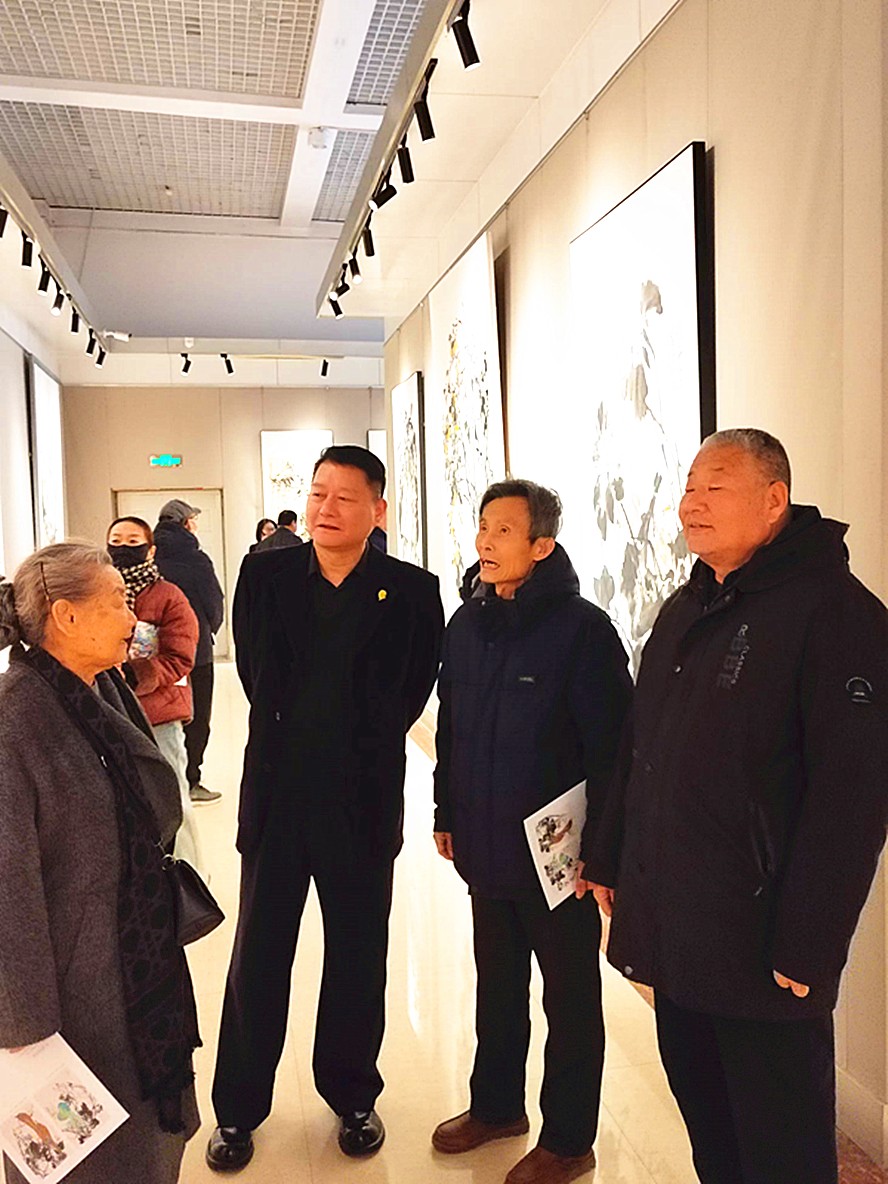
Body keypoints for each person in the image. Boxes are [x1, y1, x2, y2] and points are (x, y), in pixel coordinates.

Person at [586, 429, 888, 1184]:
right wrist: (610, 856)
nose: (691, 501)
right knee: (711, 1128)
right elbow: (640, 748)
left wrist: (810, 941)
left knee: (782, 1148)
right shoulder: (689, 607)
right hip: (678, 929)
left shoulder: (837, 613)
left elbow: (853, 795)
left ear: (774, 499)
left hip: (764, 941)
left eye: (714, 486)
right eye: (689, 486)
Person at [207, 445, 444, 1170]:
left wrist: (355, 741)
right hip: (278, 798)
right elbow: (255, 674)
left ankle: (352, 1095)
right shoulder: (266, 574)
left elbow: (412, 691)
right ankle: (238, 1110)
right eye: (317, 493)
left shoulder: (413, 590)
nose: (325, 508)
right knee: (258, 956)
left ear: (378, 509)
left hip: (362, 803)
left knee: (357, 957)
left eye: (344, 496)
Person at [431, 481, 632, 1184]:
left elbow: (614, 752)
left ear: (541, 546)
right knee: (497, 986)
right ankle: (496, 1107)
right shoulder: (468, 623)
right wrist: (446, 812)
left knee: (569, 1000)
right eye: (483, 526)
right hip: (484, 845)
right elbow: (452, 727)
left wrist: (602, 853)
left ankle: (570, 1140)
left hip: (558, 860)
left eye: (504, 531)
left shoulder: (583, 630)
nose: (485, 542)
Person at [0, 543, 201, 1184]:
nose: (133, 617)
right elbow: (6, 889)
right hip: (72, 985)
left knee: (147, 1134)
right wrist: (26, 1030)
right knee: (88, 1155)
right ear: (66, 616)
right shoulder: (13, 720)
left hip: (135, 958)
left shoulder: (101, 686)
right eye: (117, 602)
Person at [106, 516, 204, 874]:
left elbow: (180, 656)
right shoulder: (98, 595)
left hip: (159, 714)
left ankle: (189, 877)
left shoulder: (168, 596)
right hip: (109, 713)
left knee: (173, 798)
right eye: (116, 540)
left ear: (150, 550)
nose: (123, 547)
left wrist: (137, 675)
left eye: (133, 542)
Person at [154, 499, 224, 805]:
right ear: (185, 523)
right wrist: (208, 631)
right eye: (193, 519)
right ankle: (191, 779)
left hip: (156, 654)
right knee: (197, 715)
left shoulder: (150, 556)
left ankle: (162, 781)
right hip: (196, 653)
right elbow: (214, 602)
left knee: (162, 712)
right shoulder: (196, 559)